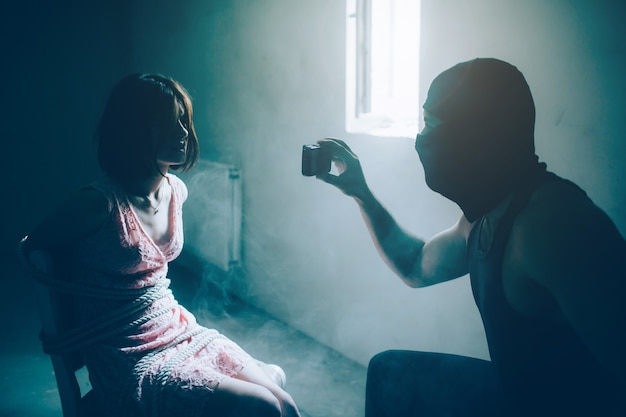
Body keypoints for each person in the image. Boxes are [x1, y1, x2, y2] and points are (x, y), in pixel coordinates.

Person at [315, 58, 626, 416]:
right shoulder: (485, 215)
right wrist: (360, 192)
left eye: (432, 125)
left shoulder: (554, 226)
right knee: (391, 373)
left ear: (475, 136)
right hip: (517, 393)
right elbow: (415, 265)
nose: (423, 139)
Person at [18, 74, 301, 417]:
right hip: (127, 354)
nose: (183, 133)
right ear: (135, 132)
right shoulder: (98, 203)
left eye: (183, 120)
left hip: (177, 327)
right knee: (264, 407)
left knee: (283, 404)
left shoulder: (175, 190)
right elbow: (32, 248)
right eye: (168, 124)